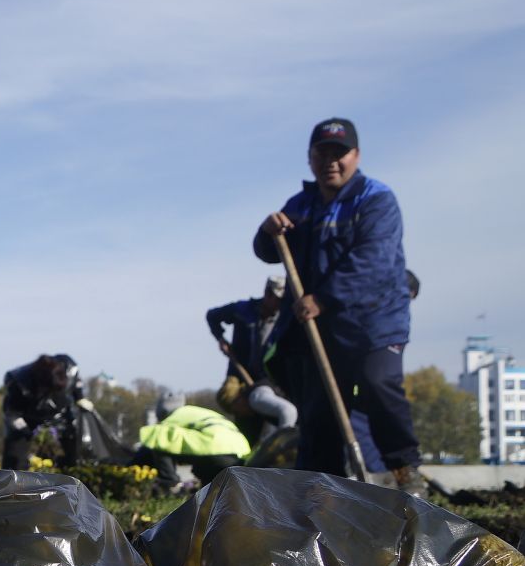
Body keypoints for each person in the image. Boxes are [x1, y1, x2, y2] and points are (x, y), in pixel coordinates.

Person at [253, 118, 420, 486]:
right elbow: (268, 253)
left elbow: (372, 261)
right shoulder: (301, 205)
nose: (331, 161)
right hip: (323, 330)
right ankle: (319, 494)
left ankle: (405, 471)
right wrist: (267, 233)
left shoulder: (376, 199)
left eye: (339, 154)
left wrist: (324, 298)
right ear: (310, 159)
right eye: (322, 153)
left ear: (356, 156)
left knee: (378, 384)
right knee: (320, 414)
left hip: (375, 322)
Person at [206, 277, 298, 437]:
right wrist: (221, 339)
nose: (280, 304)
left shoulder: (284, 319)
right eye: (278, 300)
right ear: (267, 294)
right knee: (246, 432)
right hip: (241, 381)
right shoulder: (243, 310)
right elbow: (212, 316)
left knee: (277, 420)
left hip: (269, 384)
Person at [135, 390, 252, 492]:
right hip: (237, 452)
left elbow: (154, 442)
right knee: (202, 471)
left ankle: (170, 484)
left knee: (158, 436)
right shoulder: (196, 412)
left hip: (214, 447)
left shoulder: (173, 417)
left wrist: (134, 462)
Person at [0, 353, 83, 470]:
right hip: (27, 417)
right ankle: (17, 484)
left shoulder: (68, 366)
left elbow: (76, 383)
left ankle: (73, 471)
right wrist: (24, 430)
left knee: (74, 446)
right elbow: (12, 414)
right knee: (16, 455)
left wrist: (80, 398)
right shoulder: (18, 384)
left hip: (61, 414)